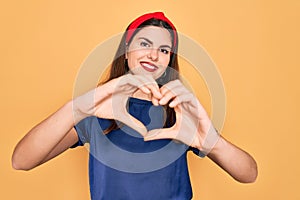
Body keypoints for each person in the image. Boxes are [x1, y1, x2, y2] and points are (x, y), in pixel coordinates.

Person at [12, 12, 257, 200]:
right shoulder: (98, 110)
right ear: (127, 49)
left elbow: (249, 174)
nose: (153, 55)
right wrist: (77, 107)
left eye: (163, 50)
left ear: (168, 60)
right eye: (144, 44)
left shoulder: (178, 111)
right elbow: (22, 161)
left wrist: (213, 142)